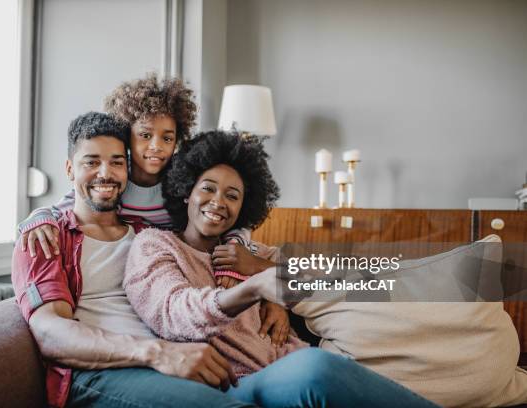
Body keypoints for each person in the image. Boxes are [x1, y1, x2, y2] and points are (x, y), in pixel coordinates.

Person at [124, 130, 441, 408]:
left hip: (293, 365)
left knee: (323, 366)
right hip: (239, 383)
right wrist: (254, 288)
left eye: (232, 196)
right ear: (186, 192)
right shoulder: (155, 245)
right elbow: (174, 315)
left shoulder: (252, 252)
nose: (219, 201)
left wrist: (261, 267)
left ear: (243, 209)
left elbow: (340, 279)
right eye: (207, 188)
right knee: (316, 369)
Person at [18, 74, 290, 346]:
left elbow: (233, 223)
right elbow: (64, 205)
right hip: (153, 281)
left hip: (187, 275)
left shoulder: (182, 184)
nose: (156, 146)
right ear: (127, 137)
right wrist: (35, 218)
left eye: (167, 138)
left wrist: (259, 280)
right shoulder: (113, 185)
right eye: (145, 135)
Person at [11, 112, 256, 408]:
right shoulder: (46, 237)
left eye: (116, 162)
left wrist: (272, 298)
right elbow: (50, 333)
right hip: (103, 372)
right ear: (69, 170)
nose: (106, 173)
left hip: (175, 364)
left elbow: (215, 242)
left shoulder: (150, 233)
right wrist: (156, 352)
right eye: (91, 162)